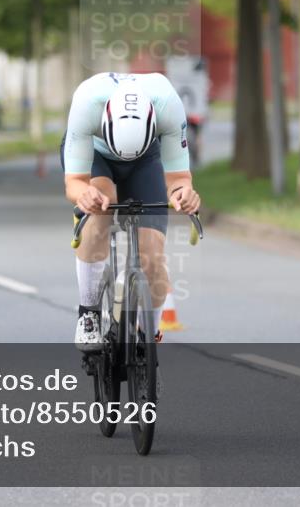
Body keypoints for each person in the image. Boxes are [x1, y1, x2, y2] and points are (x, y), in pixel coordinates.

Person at [62, 72, 202, 350]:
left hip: (146, 159)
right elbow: (74, 183)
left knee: (153, 256)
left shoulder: (168, 105)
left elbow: (178, 178)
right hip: (96, 155)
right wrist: (85, 195)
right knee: (101, 205)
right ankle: (88, 315)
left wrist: (183, 194)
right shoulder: (86, 102)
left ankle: (148, 335)